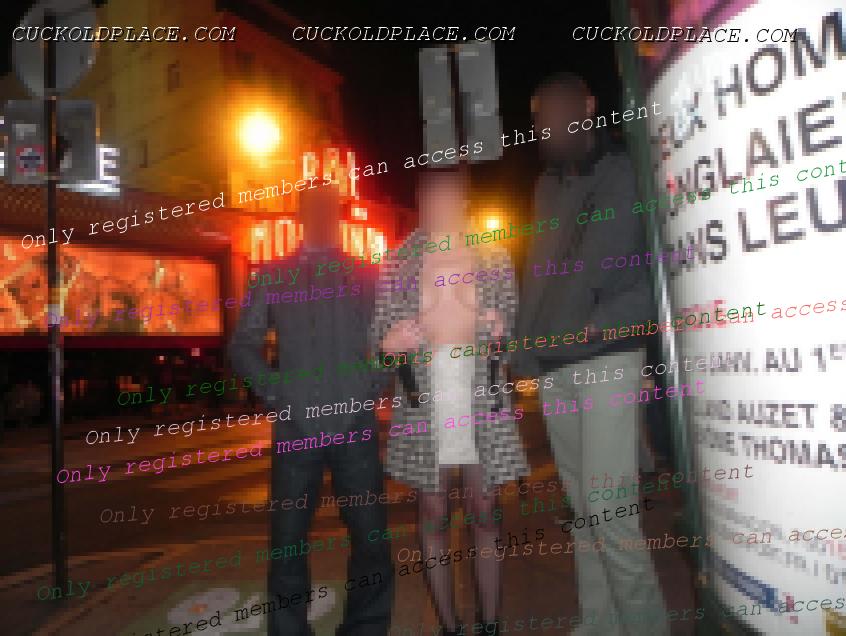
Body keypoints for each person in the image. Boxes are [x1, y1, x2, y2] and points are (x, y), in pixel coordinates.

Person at [516, 73, 670, 635]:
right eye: (539, 118)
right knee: (582, 511)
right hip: (556, 368)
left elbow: (658, 265)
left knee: (610, 512)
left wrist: (601, 322)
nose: (546, 126)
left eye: (556, 112)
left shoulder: (628, 170)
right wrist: (523, 354)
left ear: (587, 106)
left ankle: (646, 627)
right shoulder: (546, 186)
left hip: (608, 357)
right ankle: (599, 623)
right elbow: (538, 273)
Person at [229, 184, 393, 636]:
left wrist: (371, 385)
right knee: (287, 540)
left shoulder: (366, 275)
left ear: (337, 215)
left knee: (370, 536)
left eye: (328, 209)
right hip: (295, 428)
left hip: (354, 425)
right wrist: (275, 390)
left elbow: (392, 338)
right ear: (300, 216)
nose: (321, 216)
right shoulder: (272, 276)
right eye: (312, 209)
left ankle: (366, 628)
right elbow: (243, 344)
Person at [371, 170, 529, 636]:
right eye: (429, 195)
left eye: (447, 194)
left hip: (481, 392)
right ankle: (448, 625)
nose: (437, 203)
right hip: (423, 397)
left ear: (463, 201)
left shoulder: (494, 257)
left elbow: (514, 341)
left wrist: (501, 331)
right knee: (433, 512)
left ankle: (490, 624)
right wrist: (388, 346)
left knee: (485, 510)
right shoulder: (397, 264)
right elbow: (377, 348)